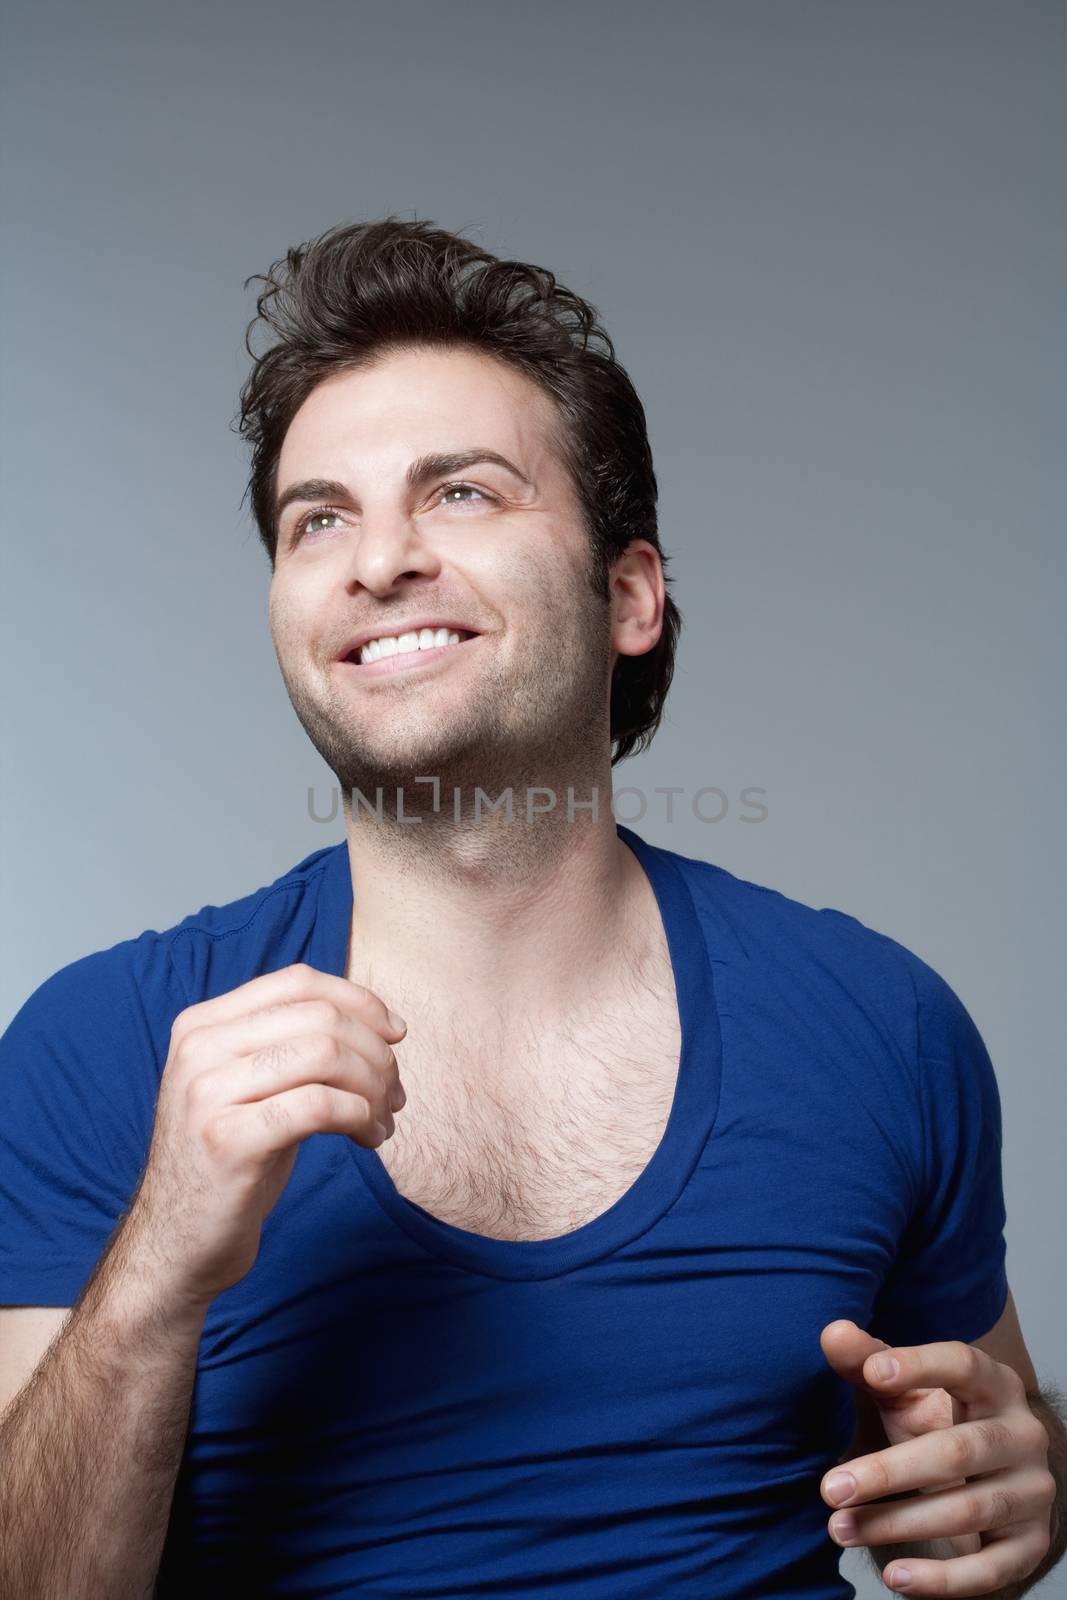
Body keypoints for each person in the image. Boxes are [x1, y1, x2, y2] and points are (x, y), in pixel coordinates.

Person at [0, 217, 1060, 1599]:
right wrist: (153, 1276)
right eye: (318, 518)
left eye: (462, 495)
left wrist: (1022, 1478)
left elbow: (993, 1445)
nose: (377, 561)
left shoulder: (884, 1025)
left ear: (629, 595)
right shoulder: (105, 1045)